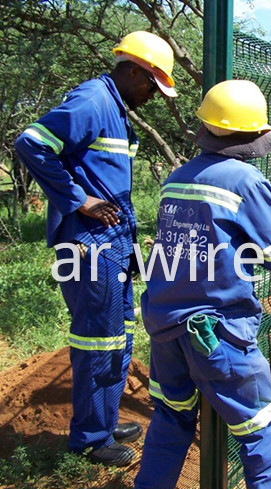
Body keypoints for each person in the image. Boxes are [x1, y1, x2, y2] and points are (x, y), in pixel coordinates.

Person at [125, 79, 271, 489]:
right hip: (216, 333)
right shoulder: (247, 180)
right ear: (252, 136)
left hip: (165, 327)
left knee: (171, 420)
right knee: (260, 427)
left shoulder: (176, 179)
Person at [14, 31, 177, 467]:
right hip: (90, 246)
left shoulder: (116, 108)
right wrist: (79, 200)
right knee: (96, 339)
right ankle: (90, 439)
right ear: (131, 70)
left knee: (118, 333)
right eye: (151, 85)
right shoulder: (92, 101)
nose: (153, 95)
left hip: (113, 242)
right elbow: (31, 143)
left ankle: (103, 420)